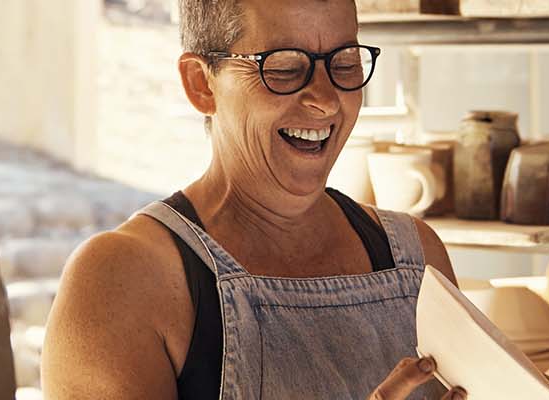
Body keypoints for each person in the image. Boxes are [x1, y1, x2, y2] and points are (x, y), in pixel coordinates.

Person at [42, 0, 464, 398]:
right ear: (200, 84)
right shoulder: (121, 281)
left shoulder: (418, 256)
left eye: (345, 64)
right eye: (283, 68)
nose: (325, 100)